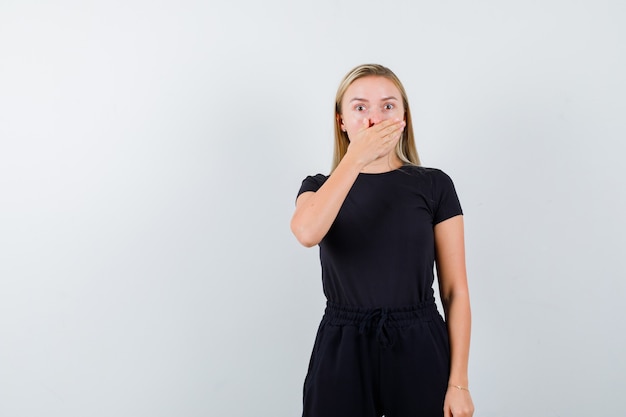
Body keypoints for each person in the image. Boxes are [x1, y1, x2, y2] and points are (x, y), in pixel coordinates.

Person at [290, 63, 475, 417]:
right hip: (342, 345)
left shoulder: (434, 186)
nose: (374, 118)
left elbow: (456, 291)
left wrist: (459, 383)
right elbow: (306, 232)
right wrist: (356, 158)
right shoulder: (317, 187)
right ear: (341, 120)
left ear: (404, 117)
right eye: (360, 107)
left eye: (387, 106)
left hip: (419, 343)